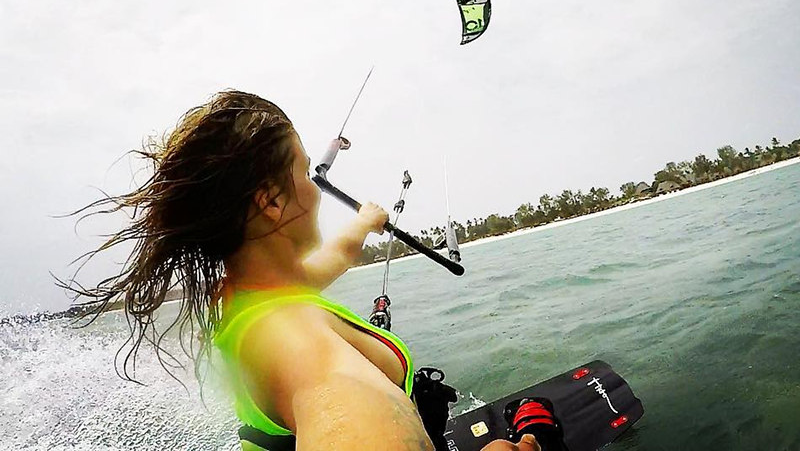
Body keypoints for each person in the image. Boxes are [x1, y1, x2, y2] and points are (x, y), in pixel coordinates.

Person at [67, 90, 539, 451]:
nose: (316, 189)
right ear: (271, 202)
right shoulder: (303, 347)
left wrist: (362, 224)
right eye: (306, 170)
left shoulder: (246, 290)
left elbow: (328, 260)